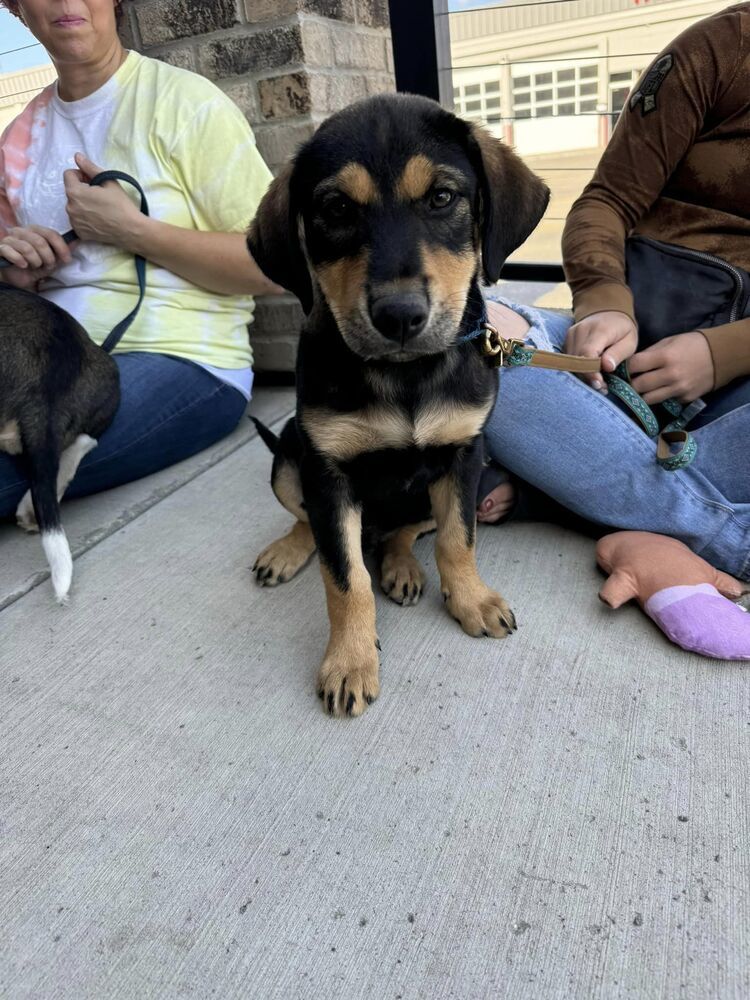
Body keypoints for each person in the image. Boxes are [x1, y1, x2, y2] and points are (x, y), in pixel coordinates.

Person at [477, 2, 750, 588]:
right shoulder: (720, 49)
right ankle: (727, 536)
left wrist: (722, 353)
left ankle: (561, 486)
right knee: (471, 333)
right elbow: (605, 202)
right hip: (613, 356)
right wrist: (603, 300)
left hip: (732, 398)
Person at [0, 0, 281, 519]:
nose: (66, 3)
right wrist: (18, 273)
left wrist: (132, 230)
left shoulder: (184, 103)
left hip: (186, 361)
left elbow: (274, 265)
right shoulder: (16, 142)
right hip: (46, 361)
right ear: (16, 8)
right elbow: (15, 293)